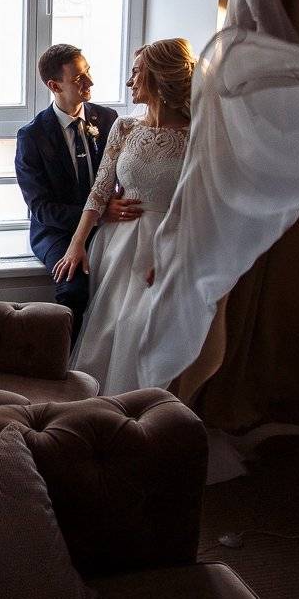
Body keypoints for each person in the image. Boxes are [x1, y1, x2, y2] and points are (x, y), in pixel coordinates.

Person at [59, 38, 195, 396]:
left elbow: (203, 206)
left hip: (169, 244)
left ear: (159, 76)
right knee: (108, 330)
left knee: (143, 329)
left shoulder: (198, 136)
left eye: (136, 72)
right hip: (117, 246)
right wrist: (77, 244)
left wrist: (176, 256)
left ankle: (146, 408)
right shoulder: (125, 127)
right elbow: (100, 189)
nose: (129, 81)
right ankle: (100, 409)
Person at [14, 44, 136, 333]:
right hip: (56, 231)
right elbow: (42, 209)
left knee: (131, 282)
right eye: (79, 78)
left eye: (88, 72)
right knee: (74, 288)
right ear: (54, 86)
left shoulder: (107, 119)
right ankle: (68, 357)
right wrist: (99, 214)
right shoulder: (32, 136)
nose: (90, 82)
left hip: (108, 224)